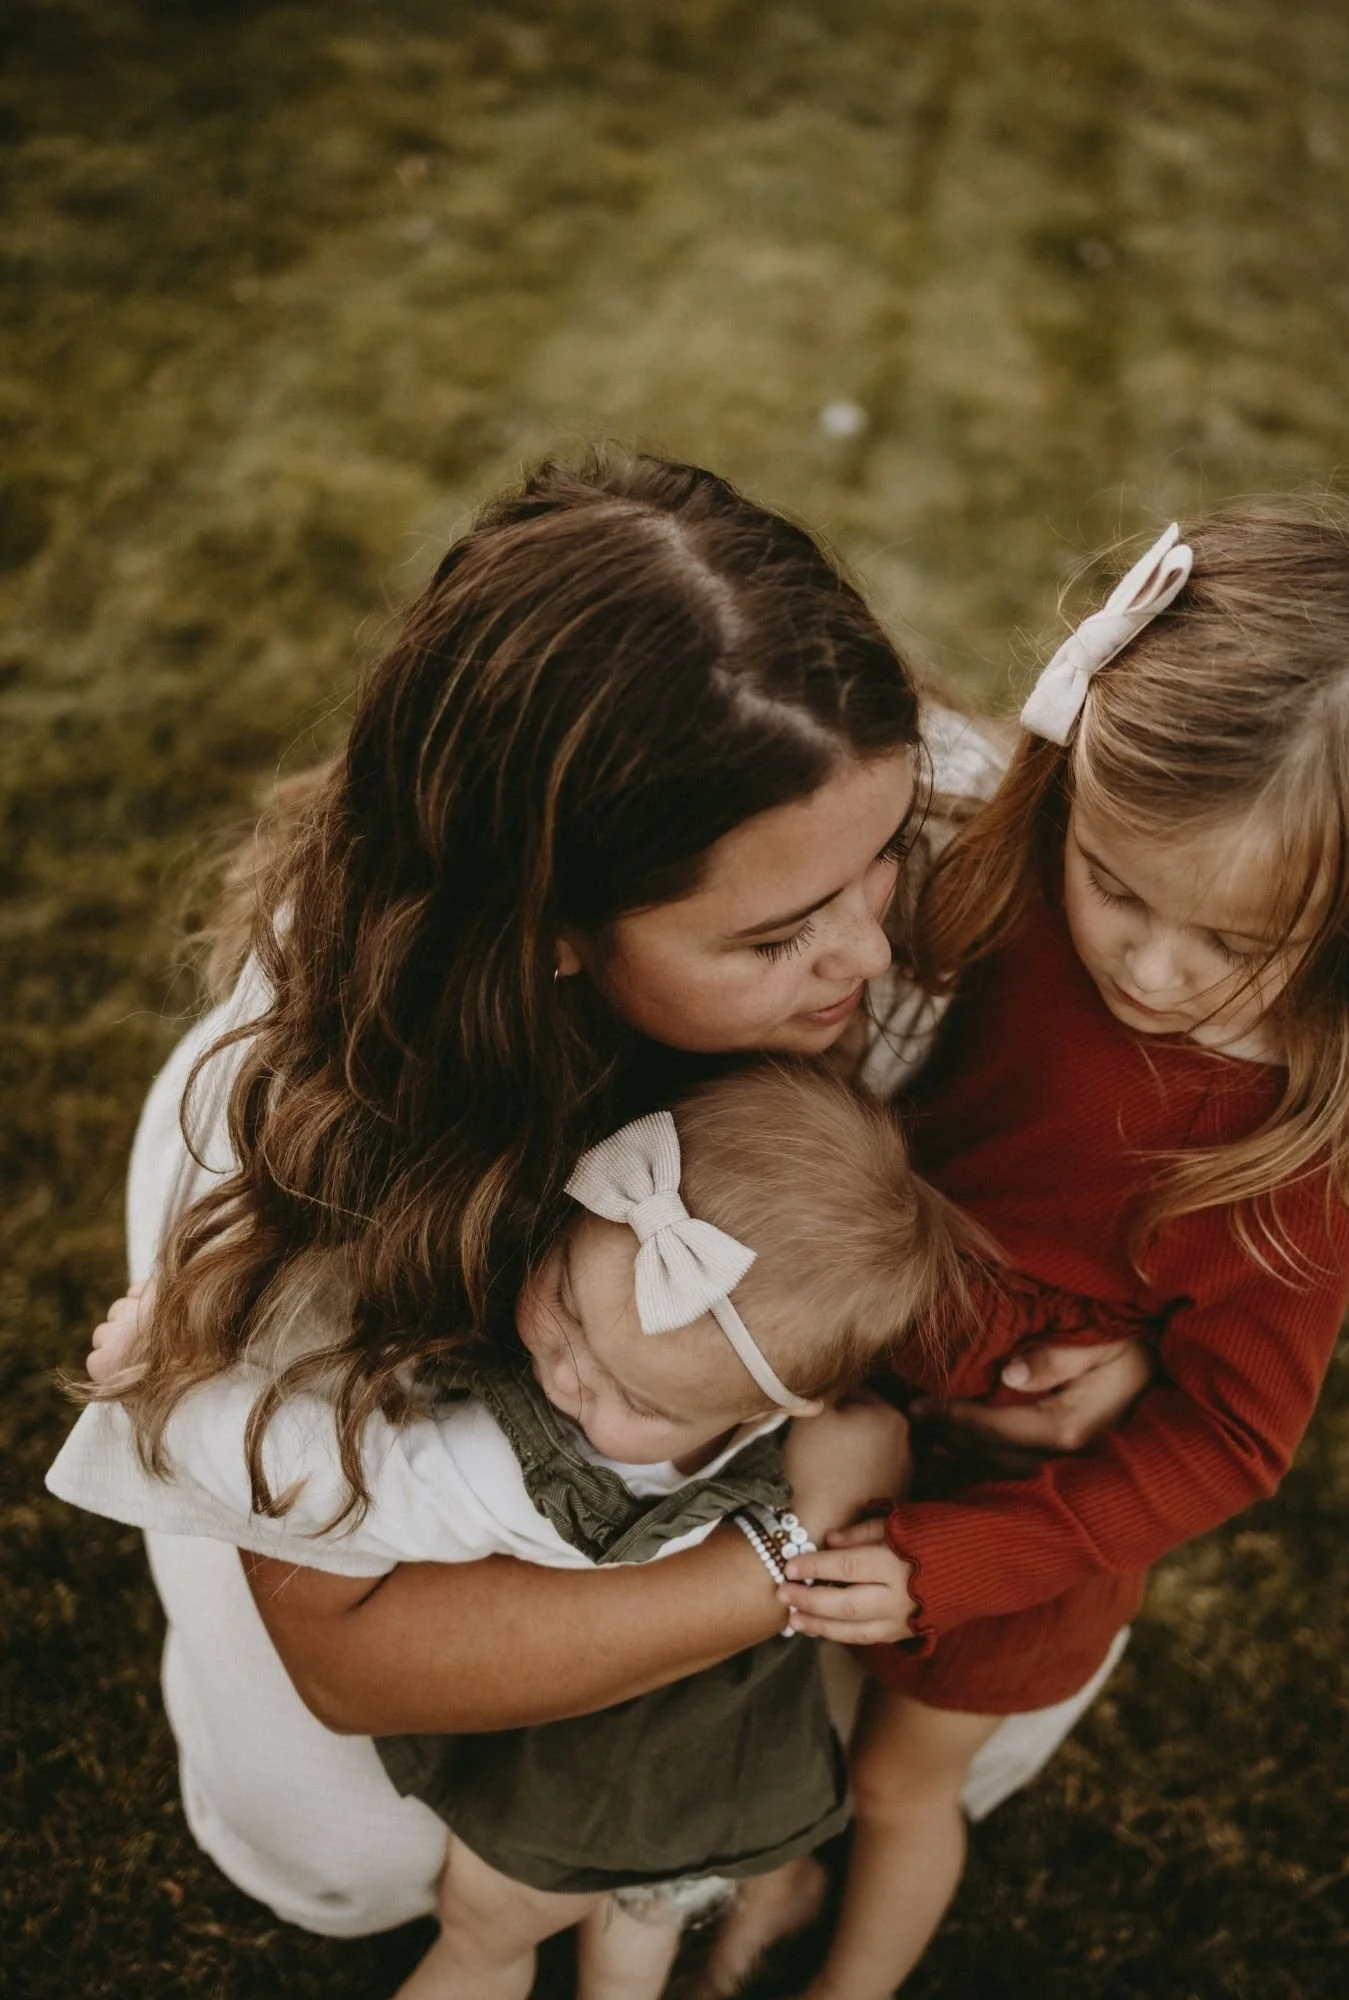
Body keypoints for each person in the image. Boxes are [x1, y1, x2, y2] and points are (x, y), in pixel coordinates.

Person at [47, 448, 1144, 1943]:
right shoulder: (302, 1126)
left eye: (879, 862)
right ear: (548, 935)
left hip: (721, 1411)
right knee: (345, 1862)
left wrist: (1077, 1359)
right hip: (364, 1402)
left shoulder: (884, 818)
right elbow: (353, 1661)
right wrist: (780, 1559)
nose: (869, 959)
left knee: (984, 1704)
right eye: (773, 942)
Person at [777, 513, 1349, 2000]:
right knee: (756, 1699)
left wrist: (973, 1558)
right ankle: (759, 1870)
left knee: (896, 1786)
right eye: (1120, 887)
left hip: (1022, 1513)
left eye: (1240, 944)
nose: (1150, 964)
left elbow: (1234, 1443)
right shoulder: (1021, 894)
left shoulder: (1294, 1153)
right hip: (852, 1361)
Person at [61, 1063, 966, 2000]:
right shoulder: (775, 1386)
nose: (570, 1378)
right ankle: (764, 1895)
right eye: (567, 1305)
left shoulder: (531, 1483)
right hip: (701, 1746)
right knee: (632, 1934)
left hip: (590, 1761)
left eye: (633, 1399)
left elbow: (352, 1478)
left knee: (487, 1936)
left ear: (771, 1406)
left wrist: (176, 1395)